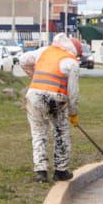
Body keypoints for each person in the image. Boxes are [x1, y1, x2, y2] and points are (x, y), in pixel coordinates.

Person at [20, 33, 83, 183]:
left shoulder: (45, 51)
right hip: (56, 98)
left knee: (38, 132)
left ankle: (41, 172)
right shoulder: (71, 62)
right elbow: (73, 93)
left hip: (34, 94)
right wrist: (73, 113)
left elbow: (23, 60)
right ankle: (60, 171)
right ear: (75, 51)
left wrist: (33, 76)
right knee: (61, 131)